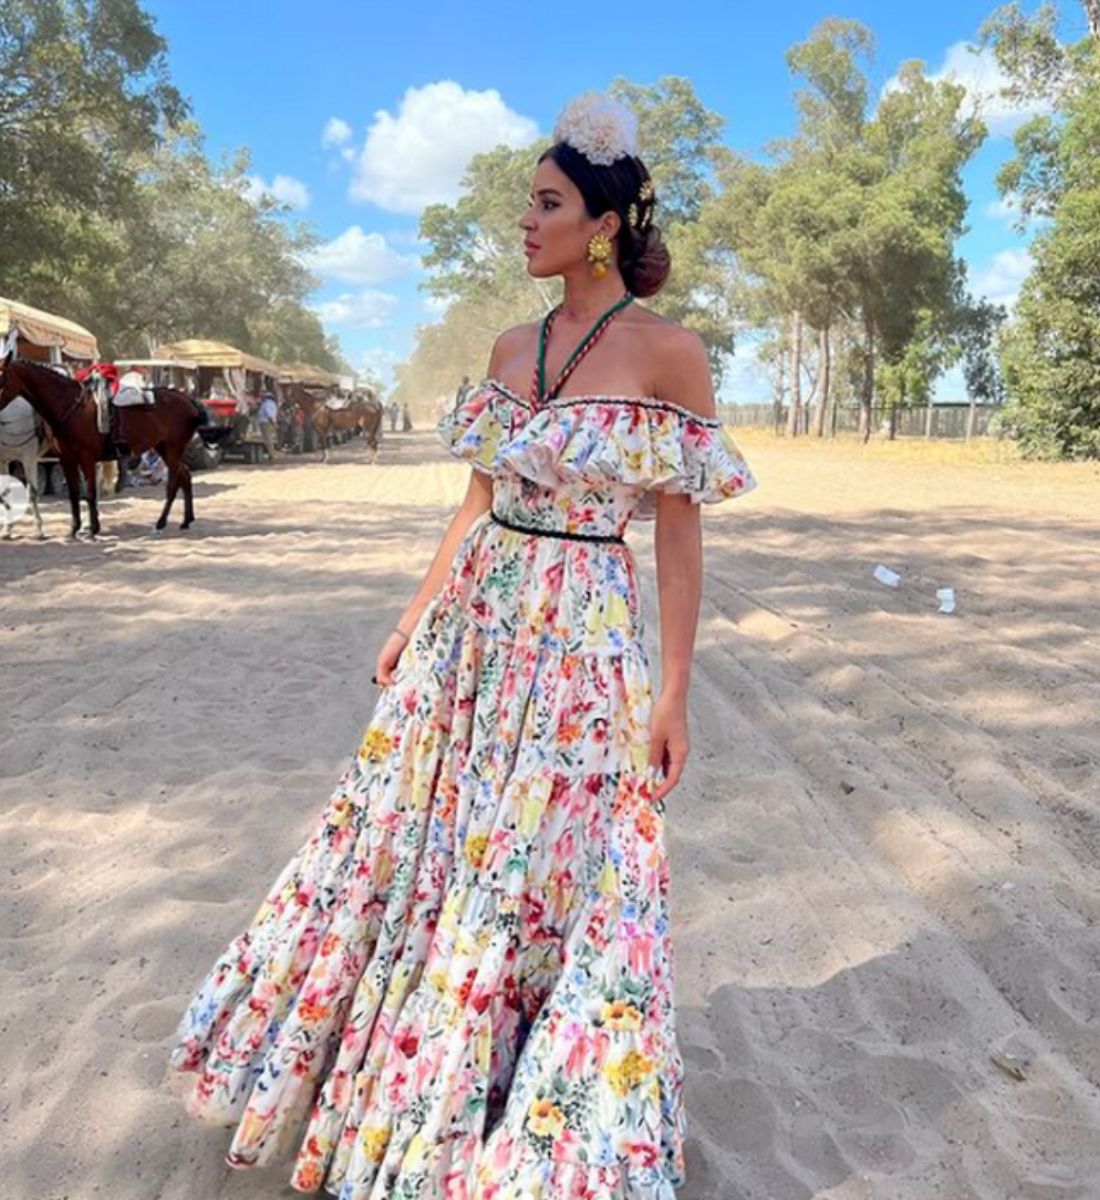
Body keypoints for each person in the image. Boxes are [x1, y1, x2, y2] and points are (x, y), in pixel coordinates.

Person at [167, 91, 756, 1197]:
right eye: (524, 204)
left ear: (604, 223)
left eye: (545, 203)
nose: (523, 222)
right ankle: (416, 1082)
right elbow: (474, 505)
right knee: (421, 844)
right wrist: (407, 620)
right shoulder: (506, 343)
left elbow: (676, 542)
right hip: (475, 633)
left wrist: (672, 693)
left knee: (560, 865)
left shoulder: (671, 356)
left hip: (582, 639)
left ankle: (547, 1098)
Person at [257, 390, 278, 462]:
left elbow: (269, 414)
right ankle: (271, 455)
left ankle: (272, 456)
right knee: (270, 439)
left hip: (265, 422)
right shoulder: (273, 404)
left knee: (268, 439)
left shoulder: (267, 404)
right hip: (269, 422)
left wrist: (273, 423)